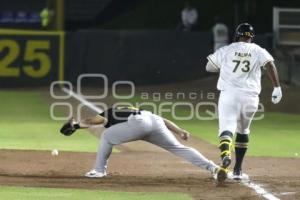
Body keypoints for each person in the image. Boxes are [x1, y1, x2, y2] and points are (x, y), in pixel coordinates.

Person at [60, 106, 228, 181]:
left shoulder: (110, 112)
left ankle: (98, 171)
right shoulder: (128, 109)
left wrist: (75, 125)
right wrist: (179, 131)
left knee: (106, 137)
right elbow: (161, 119)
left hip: (138, 123)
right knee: (179, 148)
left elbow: (92, 120)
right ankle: (214, 168)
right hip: (153, 121)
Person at [205, 23, 282, 180]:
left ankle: (226, 155)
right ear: (251, 37)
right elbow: (270, 65)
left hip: (228, 95)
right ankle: (238, 170)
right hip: (250, 97)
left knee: (226, 128)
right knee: (243, 130)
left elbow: (209, 67)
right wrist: (277, 88)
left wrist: (224, 67)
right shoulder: (258, 50)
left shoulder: (227, 49)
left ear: (237, 34)